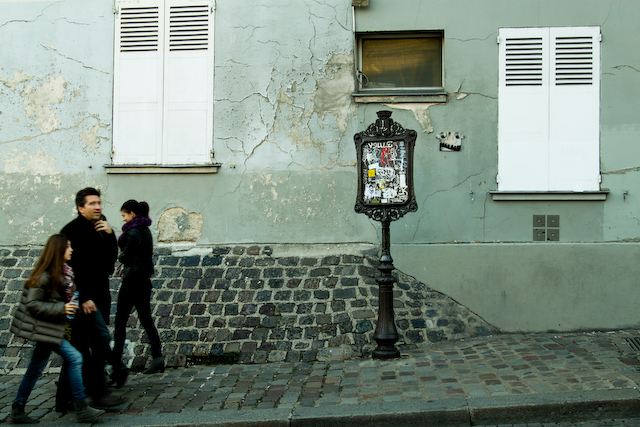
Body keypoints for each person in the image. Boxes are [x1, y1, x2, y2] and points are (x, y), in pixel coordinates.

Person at [10, 234, 105, 424]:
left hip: (54, 328)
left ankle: (17, 408)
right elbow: (32, 304)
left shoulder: (65, 273)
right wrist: (61, 308)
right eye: (68, 247)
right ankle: (81, 407)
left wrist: (78, 304)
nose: (71, 250)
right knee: (75, 358)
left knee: (34, 369)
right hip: (46, 329)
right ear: (58, 250)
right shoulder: (44, 275)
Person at [56, 187, 124, 410]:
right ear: (80, 207)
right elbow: (68, 268)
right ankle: (97, 392)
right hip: (84, 300)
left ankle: (67, 398)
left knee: (86, 345)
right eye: (92, 203)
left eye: (99, 203)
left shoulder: (100, 227)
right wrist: (83, 297)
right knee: (95, 341)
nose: (98, 207)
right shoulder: (71, 232)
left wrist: (110, 235)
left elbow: (109, 262)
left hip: (100, 295)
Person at [112, 200, 164, 379]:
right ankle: (157, 357)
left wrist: (120, 248)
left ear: (132, 214)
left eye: (124, 215)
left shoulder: (133, 232)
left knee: (120, 321)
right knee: (146, 319)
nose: (123, 219)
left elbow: (125, 255)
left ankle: (116, 364)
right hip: (143, 279)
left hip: (132, 280)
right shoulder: (145, 230)